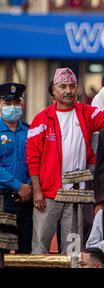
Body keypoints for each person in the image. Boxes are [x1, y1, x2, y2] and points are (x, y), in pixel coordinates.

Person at [26, 68, 104, 254]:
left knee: (73, 249)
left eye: (72, 86)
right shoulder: (41, 119)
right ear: (53, 90)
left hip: (76, 194)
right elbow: (32, 158)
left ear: (77, 89)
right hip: (48, 194)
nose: (68, 90)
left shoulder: (87, 113)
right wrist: (37, 191)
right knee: (40, 246)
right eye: (63, 86)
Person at [0, 83, 32, 253]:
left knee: (26, 252)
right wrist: (18, 186)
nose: (12, 106)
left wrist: (28, 186)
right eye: (7, 103)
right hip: (3, 201)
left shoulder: (29, 130)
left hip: (26, 200)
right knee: (2, 252)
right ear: (0, 104)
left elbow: (35, 161)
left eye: (16, 102)